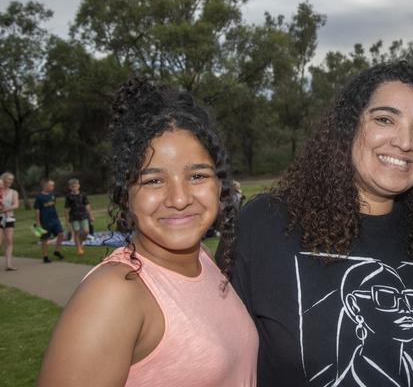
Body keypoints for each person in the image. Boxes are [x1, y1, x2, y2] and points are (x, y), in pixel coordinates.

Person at [219, 61, 413, 386]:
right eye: (385, 119)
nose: (405, 142)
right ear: (349, 126)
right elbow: (213, 356)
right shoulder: (267, 226)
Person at [38, 78, 258, 387]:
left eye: (197, 175)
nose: (179, 198)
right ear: (125, 194)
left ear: (219, 183)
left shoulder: (204, 260)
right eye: (153, 180)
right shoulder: (114, 295)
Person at [34, 178, 65, 263]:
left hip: (55, 219)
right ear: (45, 185)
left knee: (61, 234)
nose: (53, 187)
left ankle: (57, 251)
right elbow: (37, 210)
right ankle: (45, 256)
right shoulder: (39, 197)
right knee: (45, 238)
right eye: (51, 185)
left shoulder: (52, 195)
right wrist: (38, 222)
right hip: (45, 221)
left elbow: (53, 206)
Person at [64, 178, 95, 255]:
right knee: (76, 232)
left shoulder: (83, 194)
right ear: (70, 187)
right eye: (72, 186)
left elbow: (87, 205)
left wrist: (91, 215)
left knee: (86, 231)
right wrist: (67, 219)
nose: (74, 187)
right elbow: (66, 209)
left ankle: (80, 242)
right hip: (74, 217)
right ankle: (78, 248)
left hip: (84, 216)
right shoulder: (69, 196)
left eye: (75, 186)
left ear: (79, 186)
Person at [0, 172, 20, 271]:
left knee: (9, 240)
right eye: (8, 179)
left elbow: (16, 205)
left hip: (9, 218)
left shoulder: (14, 192)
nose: (10, 181)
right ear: (3, 179)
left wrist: (4, 210)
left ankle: (8, 265)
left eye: (12, 179)